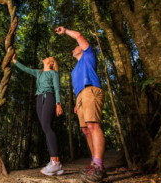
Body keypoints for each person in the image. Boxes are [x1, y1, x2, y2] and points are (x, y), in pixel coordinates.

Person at [55, 26, 106, 182]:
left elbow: (78, 35)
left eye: (77, 47)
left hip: (91, 90)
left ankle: (99, 166)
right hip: (81, 97)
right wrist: (78, 103)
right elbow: (77, 87)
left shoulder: (88, 56)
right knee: (85, 130)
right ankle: (93, 163)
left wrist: (65, 31)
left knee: (93, 126)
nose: (74, 49)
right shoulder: (74, 70)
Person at [12, 54, 64, 176]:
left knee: (47, 127)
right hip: (39, 99)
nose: (46, 57)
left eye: (49, 57)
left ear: (51, 63)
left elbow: (57, 88)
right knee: (45, 128)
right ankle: (55, 164)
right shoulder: (38, 72)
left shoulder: (53, 73)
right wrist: (15, 61)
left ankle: (56, 162)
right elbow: (26, 69)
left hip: (49, 97)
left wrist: (58, 103)